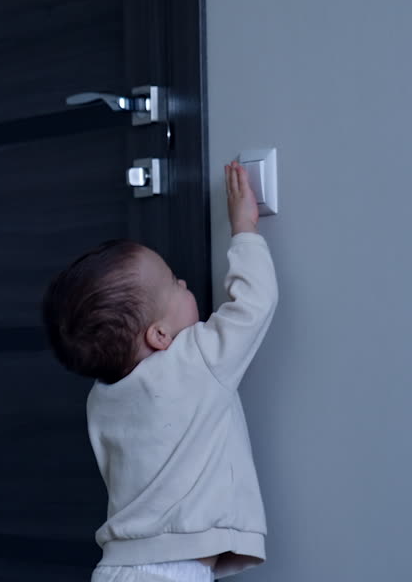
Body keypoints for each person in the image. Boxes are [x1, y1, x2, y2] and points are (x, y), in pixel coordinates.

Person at [42, 161, 279, 582]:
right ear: (160, 335)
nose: (186, 284)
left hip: (121, 567)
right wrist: (244, 230)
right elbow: (253, 306)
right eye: (175, 283)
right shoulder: (194, 362)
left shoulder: (104, 395)